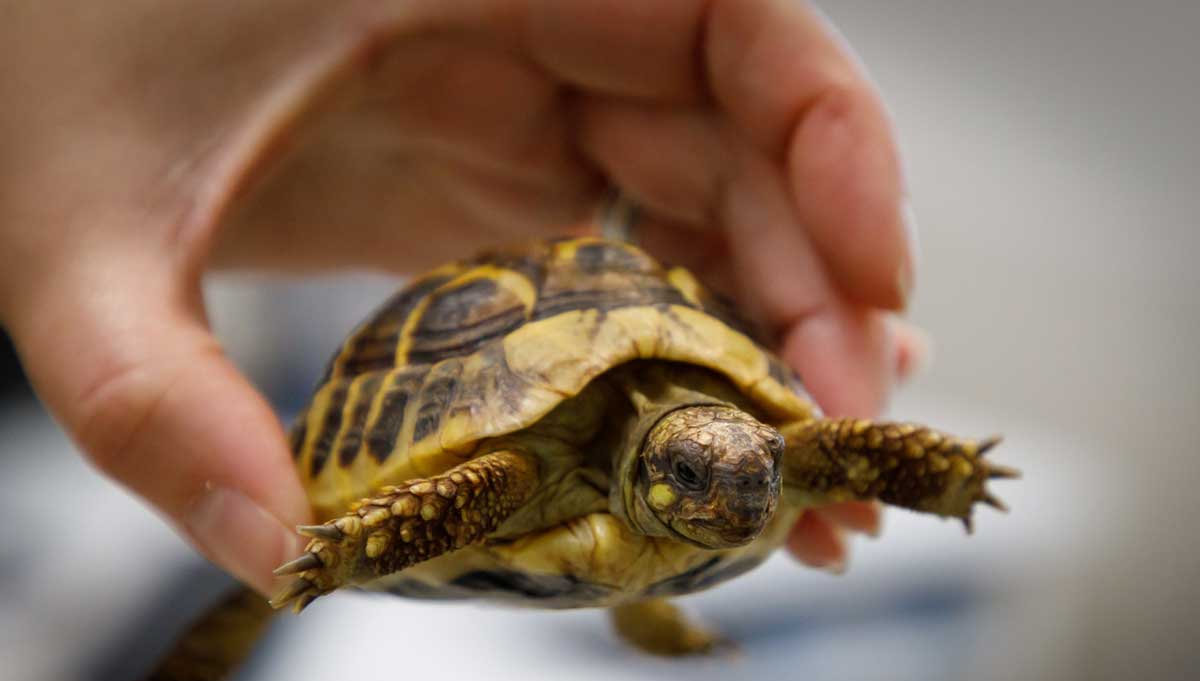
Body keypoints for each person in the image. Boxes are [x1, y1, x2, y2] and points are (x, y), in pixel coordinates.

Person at [0, 0, 924, 598]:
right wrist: (342, 548)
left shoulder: (756, 456)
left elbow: (820, 445)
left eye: (755, 474)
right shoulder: (513, 473)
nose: (737, 498)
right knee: (492, 480)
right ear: (651, 467)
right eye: (699, 478)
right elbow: (484, 473)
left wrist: (927, 471)